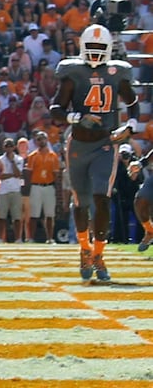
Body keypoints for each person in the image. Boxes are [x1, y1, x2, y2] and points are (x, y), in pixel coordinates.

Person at [49, 23, 139, 282]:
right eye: (92, 48)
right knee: (80, 203)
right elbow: (56, 109)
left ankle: (98, 254)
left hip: (105, 144)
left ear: (109, 49)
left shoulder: (115, 73)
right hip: (78, 144)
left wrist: (130, 126)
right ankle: (84, 248)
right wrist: (77, 117)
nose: (96, 54)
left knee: (102, 198)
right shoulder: (72, 73)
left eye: (101, 48)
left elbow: (133, 104)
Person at [25, 130, 62, 243]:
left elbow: (56, 174)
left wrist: (58, 190)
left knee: (49, 214)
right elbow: (29, 173)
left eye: (43, 139)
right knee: (34, 214)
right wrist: (27, 188)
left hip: (49, 186)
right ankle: (31, 238)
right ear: (36, 142)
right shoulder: (32, 156)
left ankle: (50, 238)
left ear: (47, 140)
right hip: (36, 186)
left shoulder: (53, 156)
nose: (41, 141)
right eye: (38, 139)